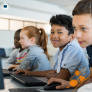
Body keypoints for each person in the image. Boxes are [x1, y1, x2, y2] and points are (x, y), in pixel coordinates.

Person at [16, 15, 89, 81]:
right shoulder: (59, 52)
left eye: (60, 32)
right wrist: (29, 73)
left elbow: (61, 77)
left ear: (72, 37)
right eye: (52, 32)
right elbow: (54, 72)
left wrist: (49, 75)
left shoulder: (73, 49)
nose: (54, 36)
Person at [47, 0, 92, 90]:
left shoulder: (75, 48)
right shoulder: (89, 46)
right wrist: (69, 84)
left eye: (83, 28)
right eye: (75, 28)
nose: (77, 35)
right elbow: (91, 78)